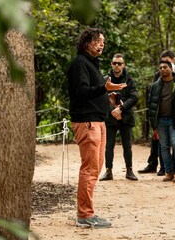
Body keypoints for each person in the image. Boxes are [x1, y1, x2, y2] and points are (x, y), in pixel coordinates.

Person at [68, 28, 127, 228]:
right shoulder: (79, 63)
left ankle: (87, 212)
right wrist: (104, 88)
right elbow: (81, 92)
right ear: (86, 42)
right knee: (90, 168)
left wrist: (108, 97)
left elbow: (94, 92)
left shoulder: (92, 63)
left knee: (96, 167)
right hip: (87, 122)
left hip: (98, 121)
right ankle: (84, 215)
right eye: (97, 41)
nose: (102, 44)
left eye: (103, 41)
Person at [139, 50, 175, 176]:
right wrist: (153, 123)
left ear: (171, 68)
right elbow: (152, 104)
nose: (162, 69)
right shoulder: (155, 86)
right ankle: (168, 171)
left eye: (165, 67)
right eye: (160, 67)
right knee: (164, 147)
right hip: (161, 120)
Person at [99, 53, 138, 182]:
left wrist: (121, 108)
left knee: (127, 145)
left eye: (119, 63)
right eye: (114, 63)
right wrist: (113, 111)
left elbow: (134, 97)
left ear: (123, 65)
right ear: (111, 64)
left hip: (125, 117)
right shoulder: (105, 79)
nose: (117, 65)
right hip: (110, 118)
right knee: (109, 145)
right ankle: (108, 171)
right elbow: (100, 97)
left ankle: (129, 171)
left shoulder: (129, 80)